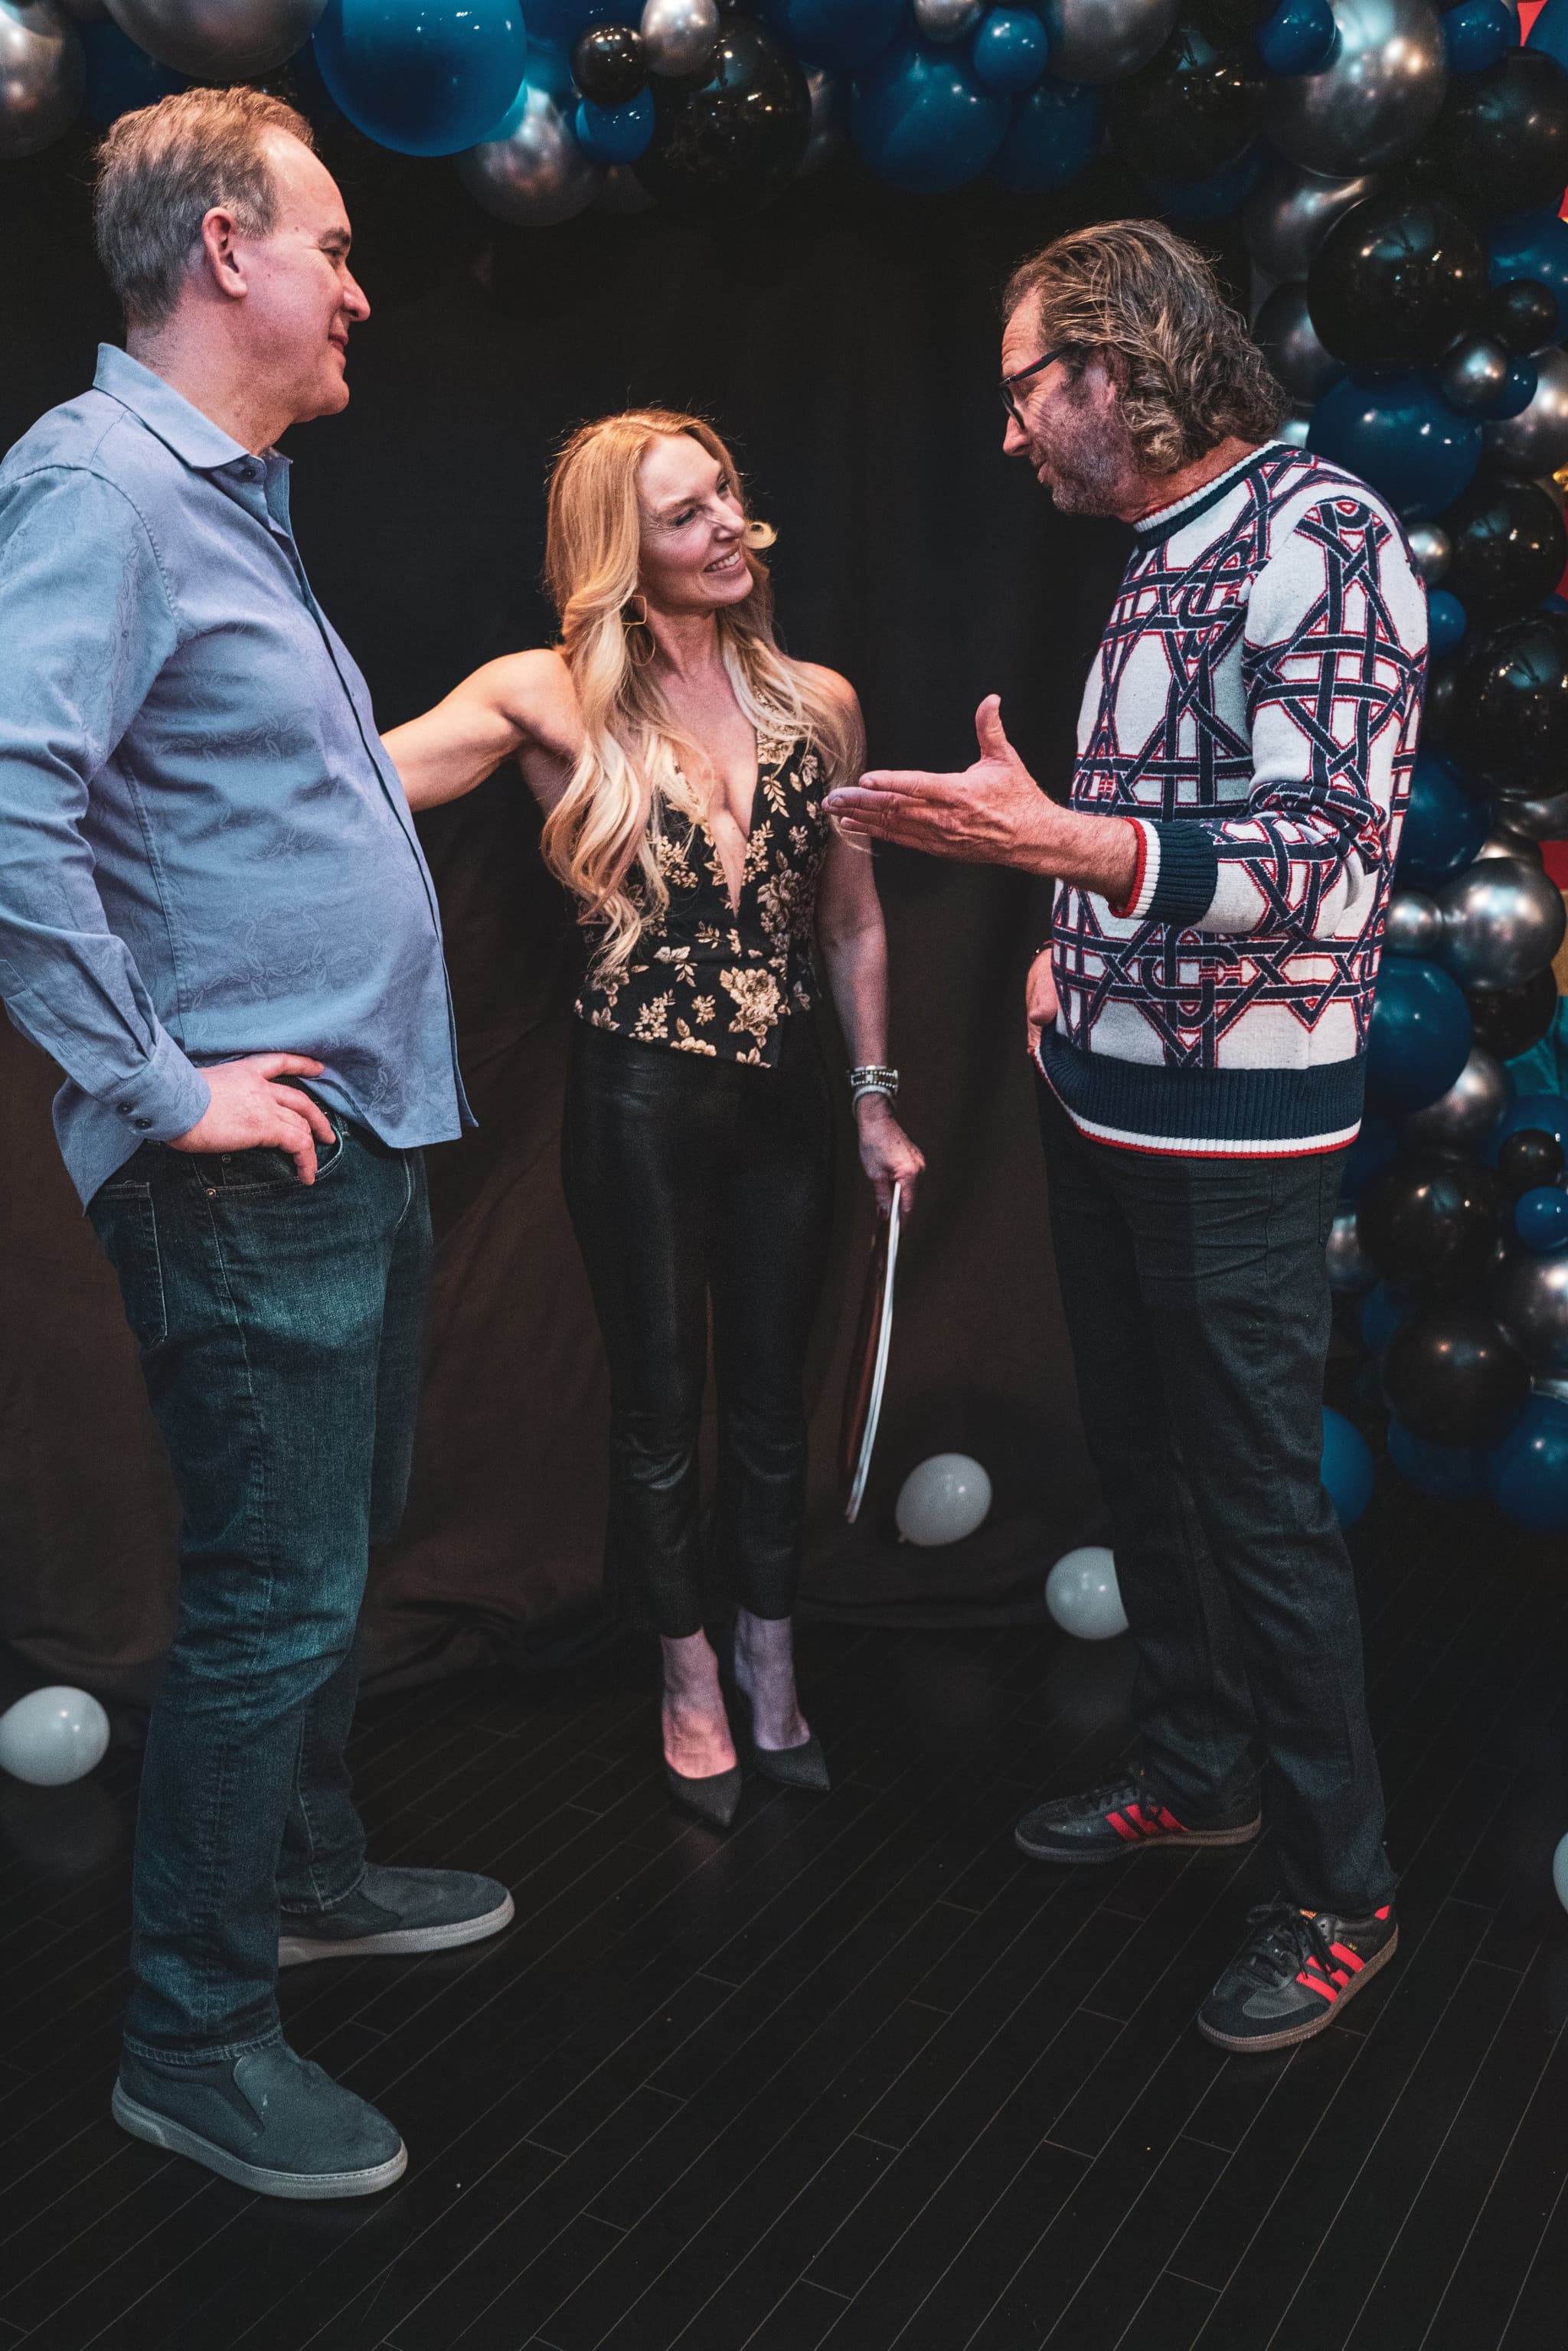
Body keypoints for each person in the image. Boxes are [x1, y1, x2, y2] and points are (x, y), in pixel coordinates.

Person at [0, 87, 570, 2202]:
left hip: (352, 1147)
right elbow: (9, 807)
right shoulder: (102, 493)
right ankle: (196, 2034)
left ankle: (309, 1876)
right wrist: (164, 1086)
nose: (360, 287)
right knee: (266, 1599)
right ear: (227, 249)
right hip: (242, 1174)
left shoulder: (225, 501)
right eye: (335, 244)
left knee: (336, 1553)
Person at [825, 221, 1426, 2055]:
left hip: (1236, 1128)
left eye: (1025, 389)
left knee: (1252, 1497)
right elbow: (1163, 832)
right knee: (1145, 1463)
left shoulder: (1323, 535)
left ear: (1117, 370)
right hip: (1102, 1086)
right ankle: (1194, 1768)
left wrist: (1063, 859)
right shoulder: (1166, 554)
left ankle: (1342, 1895)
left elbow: (1321, 854)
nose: (1010, 434)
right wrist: (1066, 953)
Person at [503, 408, 925, 1827]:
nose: (727, 524)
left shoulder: (824, 703)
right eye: (686, 514)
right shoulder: (557, 700)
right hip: (636, 1096)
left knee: (770, 1398)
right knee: (657, 1406)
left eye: (728, 493)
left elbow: (853, 924)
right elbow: (361, 777)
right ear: (626, 552)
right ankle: (686, 1676)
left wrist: (873, 1100)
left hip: (785, 1098)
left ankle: (769, 1651)